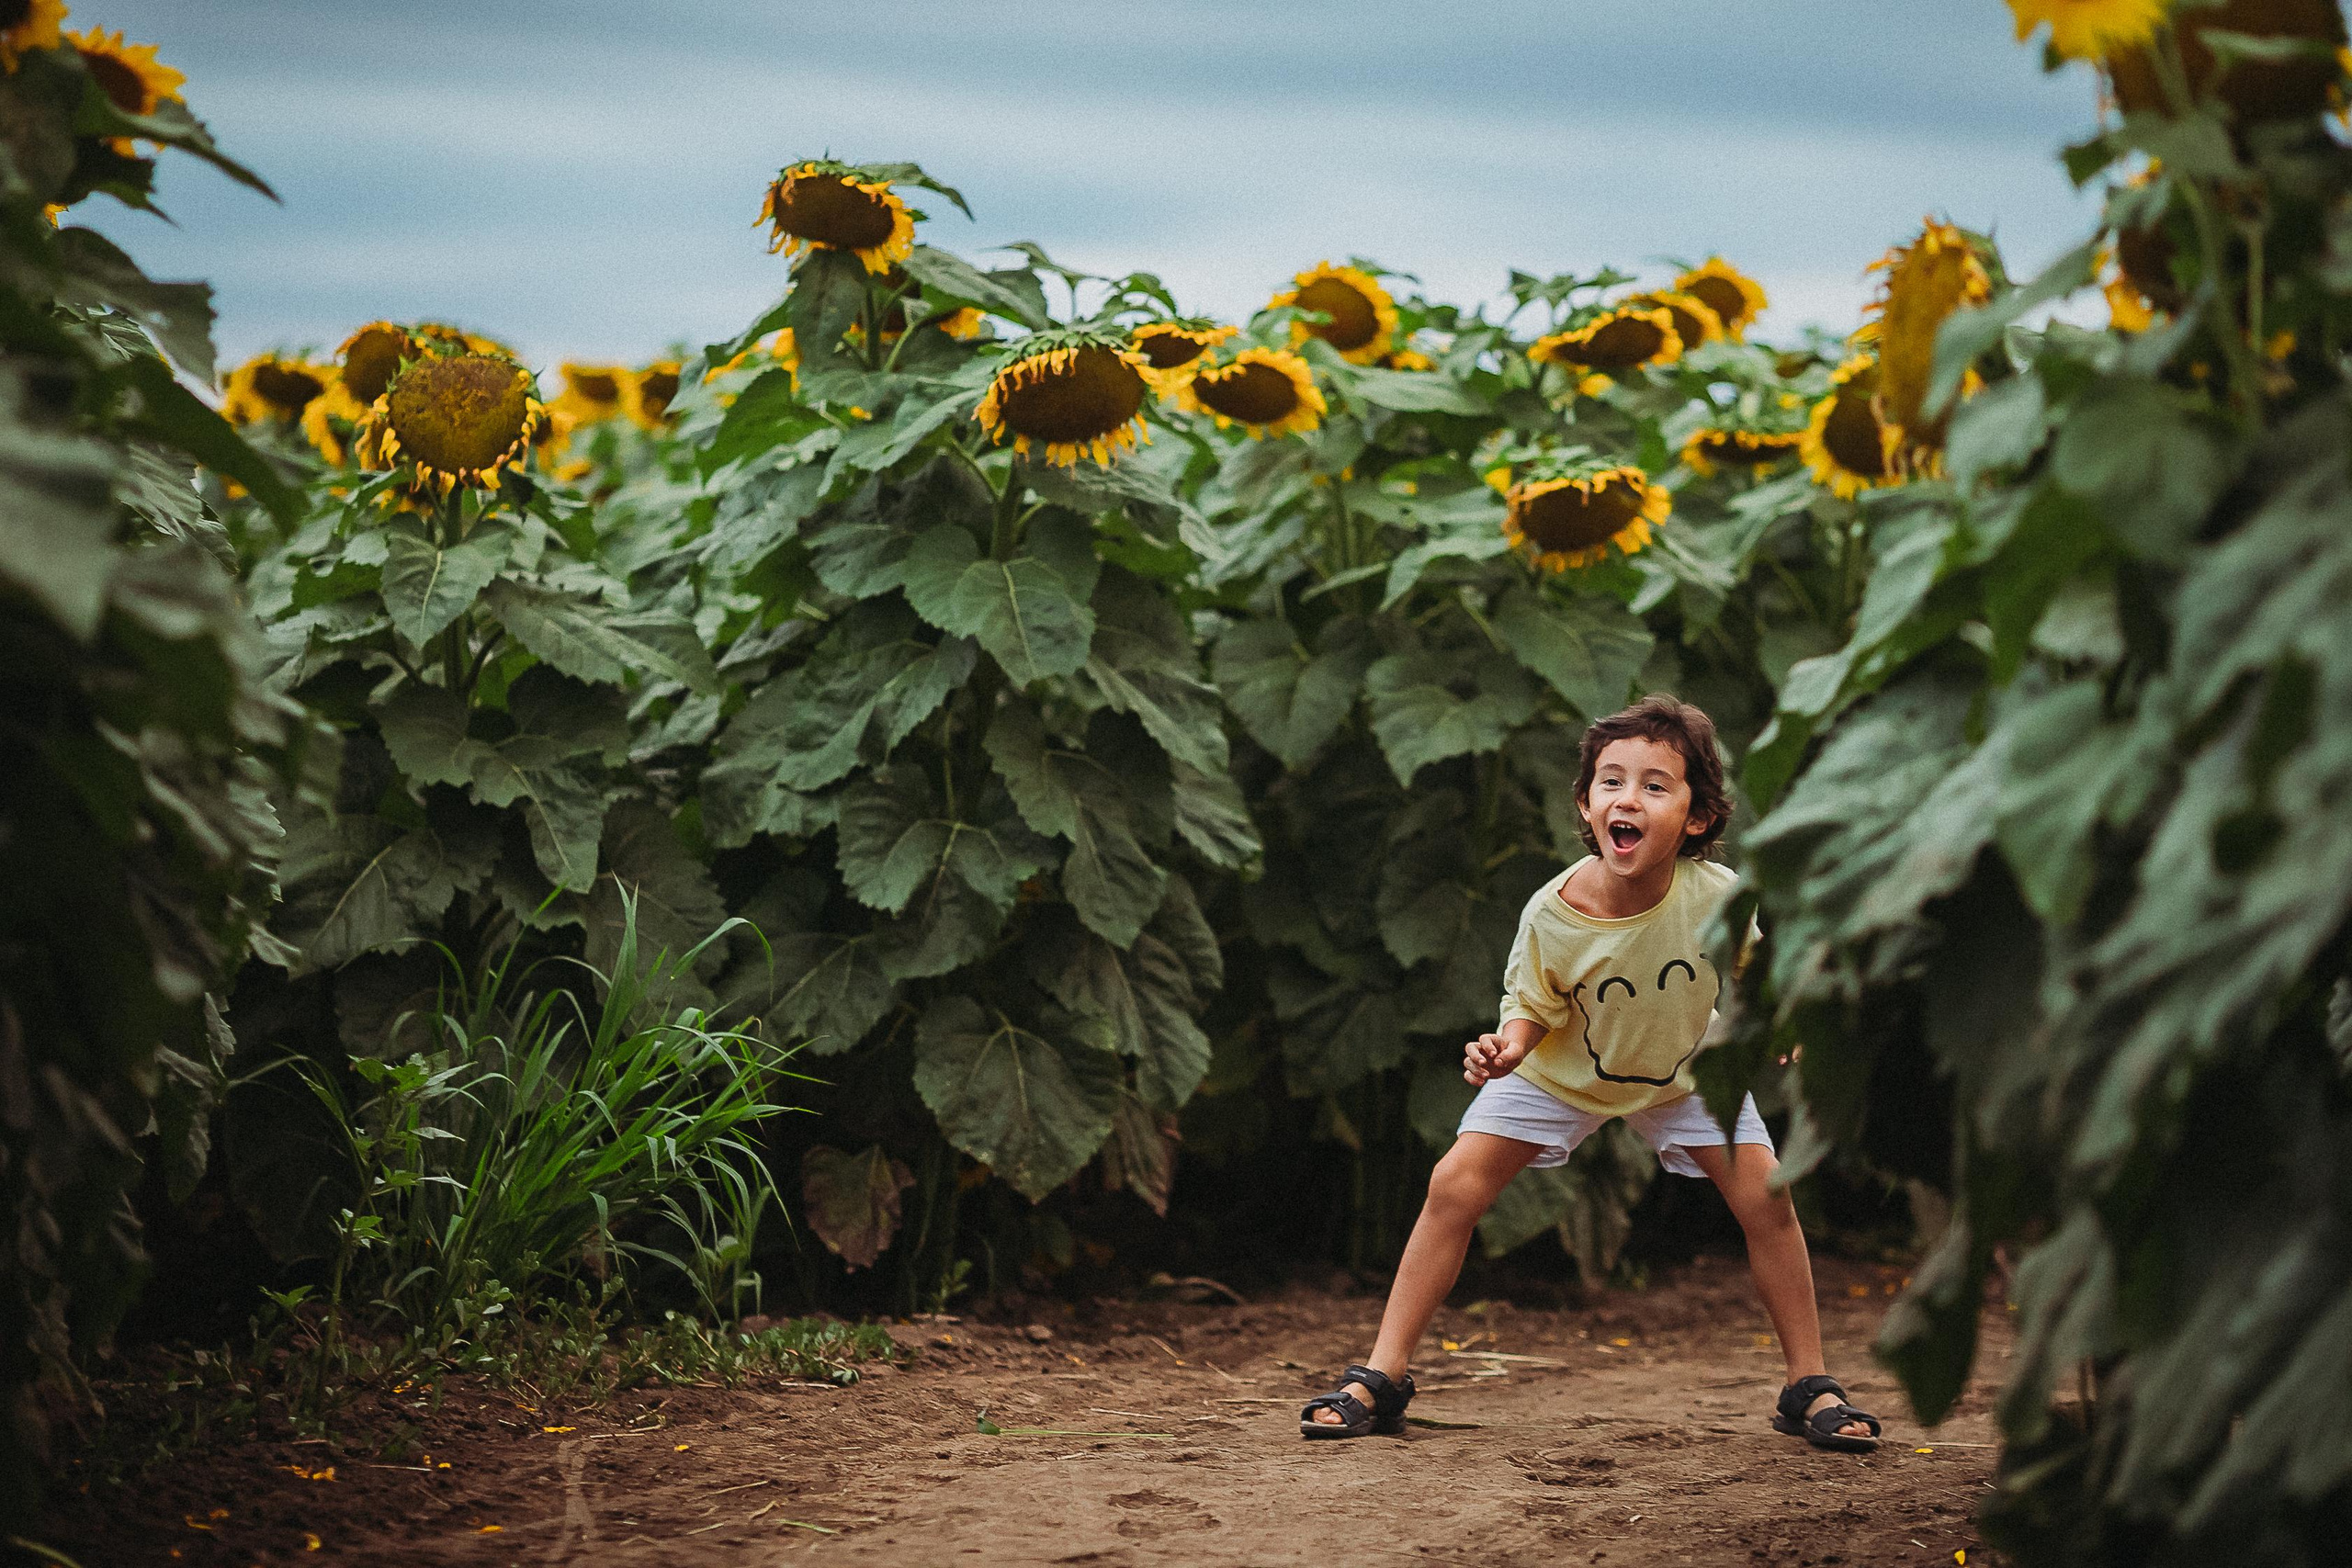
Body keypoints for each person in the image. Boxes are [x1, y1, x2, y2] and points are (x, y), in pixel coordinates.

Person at [1301, 694, 1880, 1451]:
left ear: (1697, 818)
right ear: (1585, 804)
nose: (1627, 797)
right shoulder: (1555, 909)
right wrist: (1507, 1048)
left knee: (1768, 1196)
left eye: (1654, 784)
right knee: (1453, 1186)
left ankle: (1811, 1384)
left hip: (1684, 1073)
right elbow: (1530, 1002)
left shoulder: (1720, 897)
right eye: (1610, 781)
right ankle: (1382, 1374)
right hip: (1557, 1072)